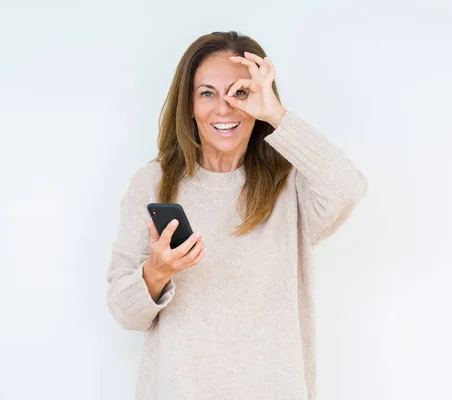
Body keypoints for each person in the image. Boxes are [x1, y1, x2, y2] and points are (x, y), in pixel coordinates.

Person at [106, 30, 367, 400]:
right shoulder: (152, 184)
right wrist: (156, 273)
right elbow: (125, 313)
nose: (224, 108)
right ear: (189, 104)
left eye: (239, 93)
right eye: (207, 93)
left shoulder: (291, 185)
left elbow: (347, 187)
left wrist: (277, 115)